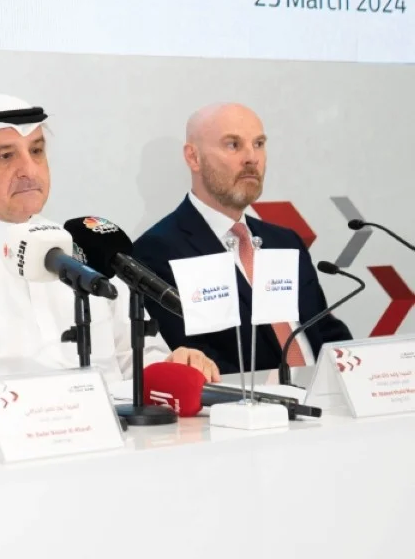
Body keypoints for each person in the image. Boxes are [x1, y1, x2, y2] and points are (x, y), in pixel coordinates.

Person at [0, 94, 219, 404]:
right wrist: (59, 407)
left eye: (36, 151)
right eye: (5, 156)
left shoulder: (84, 245)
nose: (28, 169)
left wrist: (174, 365)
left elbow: (137, 361)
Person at [133, 103, 351, 374]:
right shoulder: (157, 251)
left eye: (258, 144)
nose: (252, 158)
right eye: (233, 145)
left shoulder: (285, 241)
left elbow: (325, 330)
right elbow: (195, 357)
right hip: (248, 408)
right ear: (193, 157)